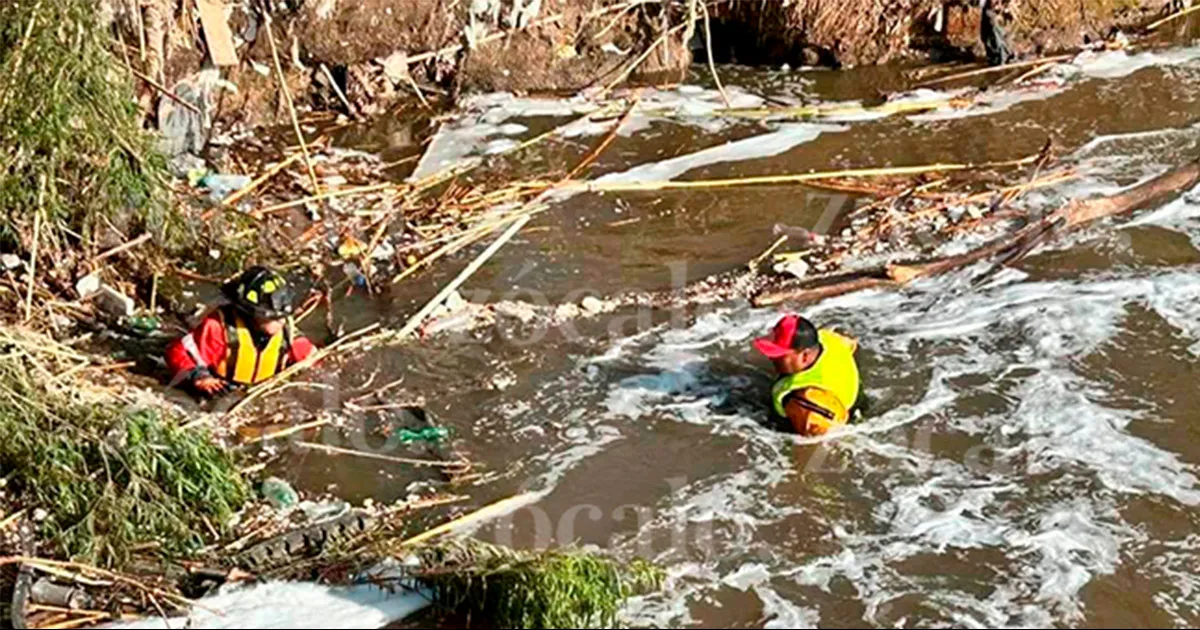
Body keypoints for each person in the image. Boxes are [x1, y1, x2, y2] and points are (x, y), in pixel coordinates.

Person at [166, 266, 315, 396]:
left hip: (261, 392)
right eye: (273, 318)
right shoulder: (218, 328)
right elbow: (178, 351)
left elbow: (314, 360)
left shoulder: (289, 336)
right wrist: (199, 376)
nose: (281, 322)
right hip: (222, 390)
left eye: (283, 317)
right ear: (251, 313)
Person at [753, 314, 860, 436]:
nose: (771, 358)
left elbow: (816, 442)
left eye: (780, 356)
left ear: (805, 355)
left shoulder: (809, 402)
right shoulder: (826, 339)